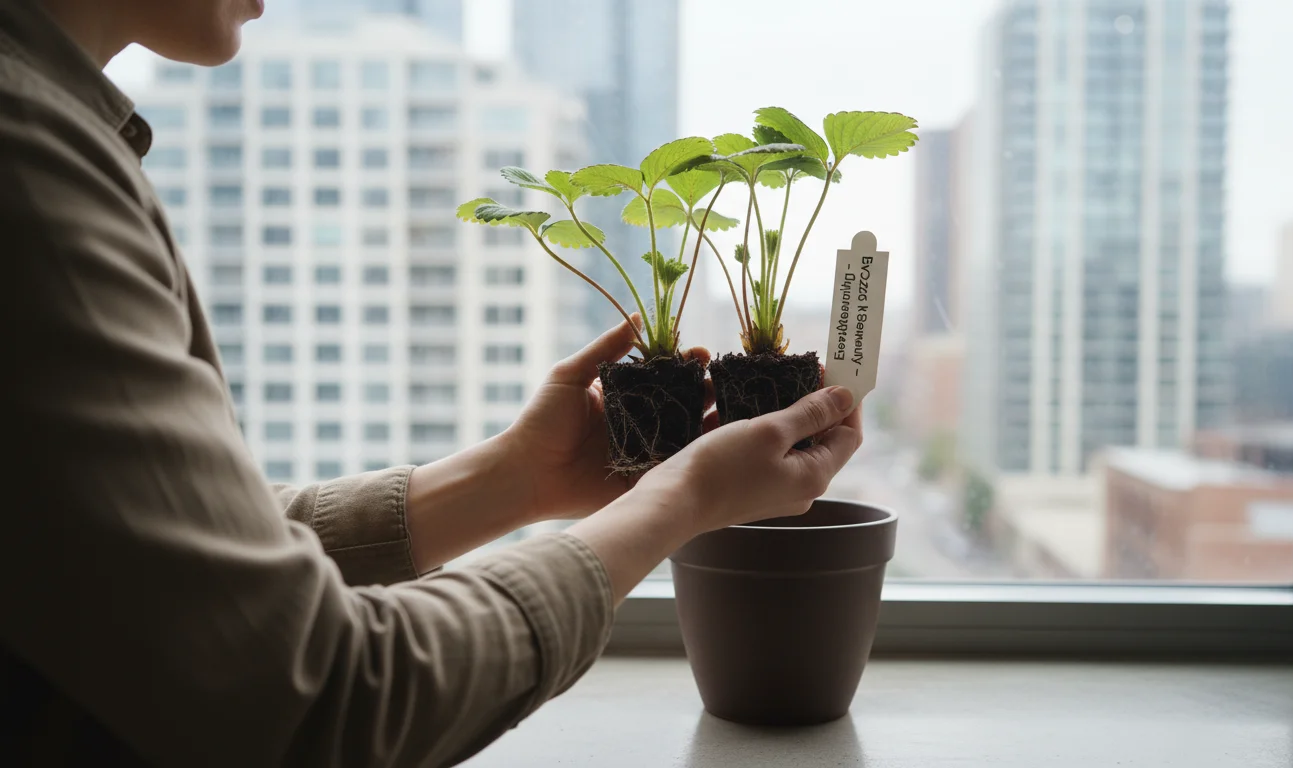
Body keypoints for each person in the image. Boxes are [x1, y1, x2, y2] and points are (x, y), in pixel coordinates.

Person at [0, 0, 864, 764]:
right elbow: (322, 700)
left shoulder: (52, 132)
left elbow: (177, 578)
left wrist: (512, 482)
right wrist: (677, 501)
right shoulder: (31, 172)